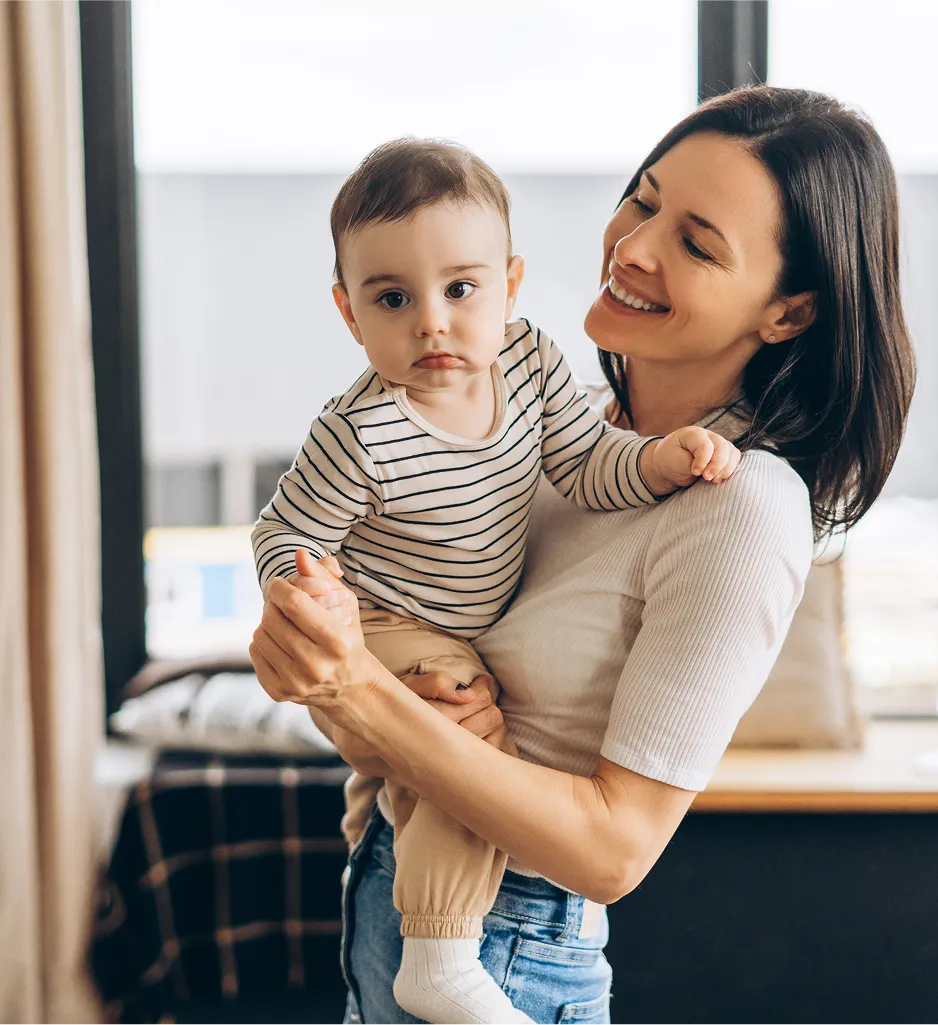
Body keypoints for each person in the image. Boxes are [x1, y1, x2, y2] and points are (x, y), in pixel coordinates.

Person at [250, 85, 916, 1025]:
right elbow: (381, 725)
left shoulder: (740, 506)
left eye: (695, 241)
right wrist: (337, 672)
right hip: (385, 892)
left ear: (789, 314)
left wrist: (360, 689)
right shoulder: (551, 437)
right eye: (642, 201)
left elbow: (615, 852)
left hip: (502, 948)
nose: (633, 248)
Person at [251, 138, 739, 1025]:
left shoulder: (529, 365)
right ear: (348, 313)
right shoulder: (359, 430)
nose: (431, 321)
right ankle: (438, 951)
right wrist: (308, 598)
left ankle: (416, 927)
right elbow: (286, 528)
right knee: (463, 713)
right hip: (392, 615)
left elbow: (590, 463)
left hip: (467, 635)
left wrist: (661, 461)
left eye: (460, 289)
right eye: (392, 298)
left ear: (510, 285)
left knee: (447, 733)